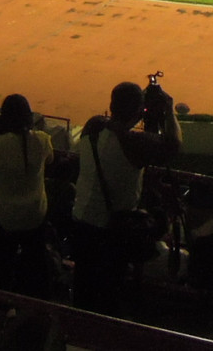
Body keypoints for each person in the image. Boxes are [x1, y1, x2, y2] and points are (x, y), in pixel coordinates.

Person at [71, 79, 182, 313]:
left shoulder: (92, 127)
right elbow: (172, 145)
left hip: (81, 222)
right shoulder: (134, 144)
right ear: (138, 111)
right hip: (112, 230)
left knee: (83, 288)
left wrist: (139, 106)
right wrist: (168, 109)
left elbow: (115, 127)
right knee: (109, 294)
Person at [0, 93, 54, 297]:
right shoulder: (42, 140)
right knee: (36, 259)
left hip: (7, 216)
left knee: (4, 260)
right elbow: (50, 160)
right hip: (36, 212)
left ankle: (5, 304)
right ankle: (38, 301)